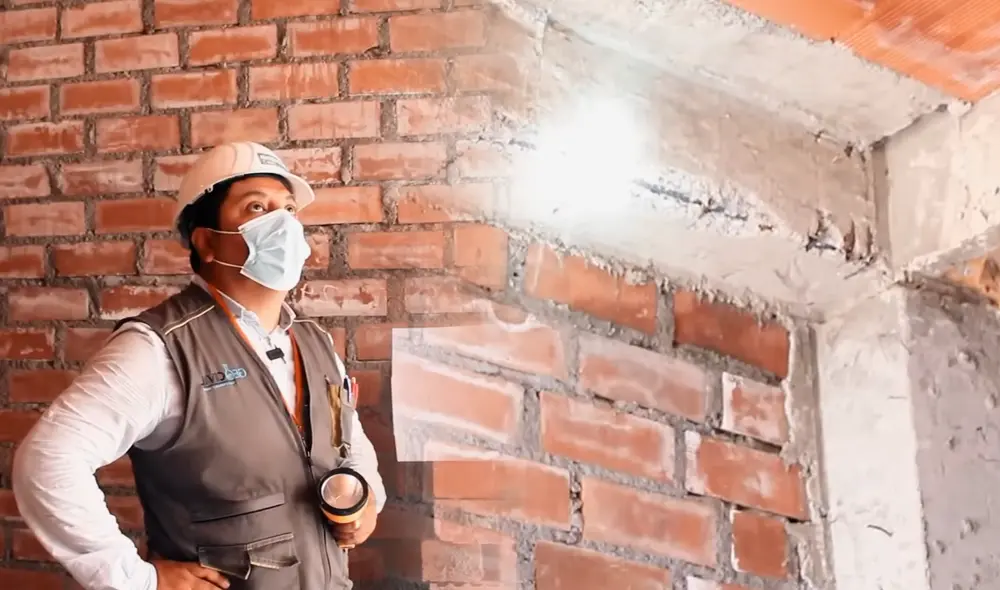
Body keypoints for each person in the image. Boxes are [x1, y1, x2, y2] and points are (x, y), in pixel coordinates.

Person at [12, 142, 385, 590]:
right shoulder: (160, 347)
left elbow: (350, 438)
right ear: (206, 241)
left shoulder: (314, 341)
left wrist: (366, 498)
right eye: (257, 208)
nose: (284, 223)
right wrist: (137, 581)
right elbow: (48, 460)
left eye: (288, 208)